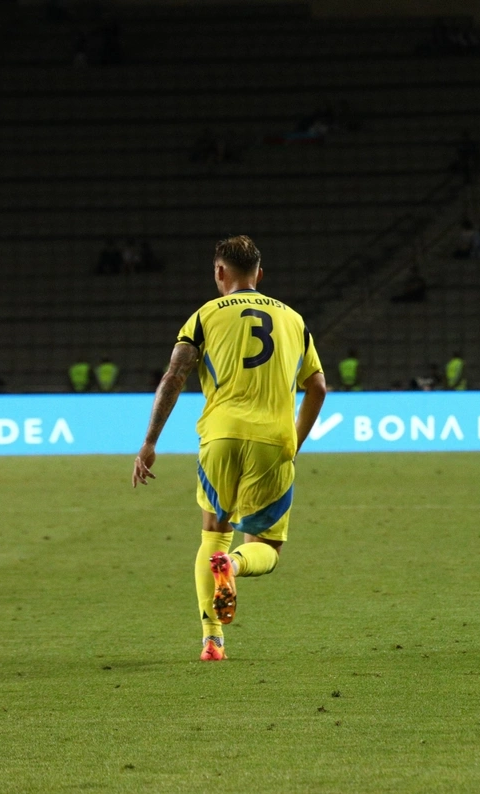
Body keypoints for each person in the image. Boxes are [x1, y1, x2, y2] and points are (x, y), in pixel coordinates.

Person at [131, 235, 327, 662]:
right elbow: (318, 387)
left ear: (220, 272)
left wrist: (150, 442)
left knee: (213, 535)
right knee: (266, 549)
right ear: (260, 274)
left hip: (219, 437)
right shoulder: (294, 320)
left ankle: (212, 640)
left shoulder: (204, 316)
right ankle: (234, 566)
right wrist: (294, 441)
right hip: (273, 440)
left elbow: (174, 375)